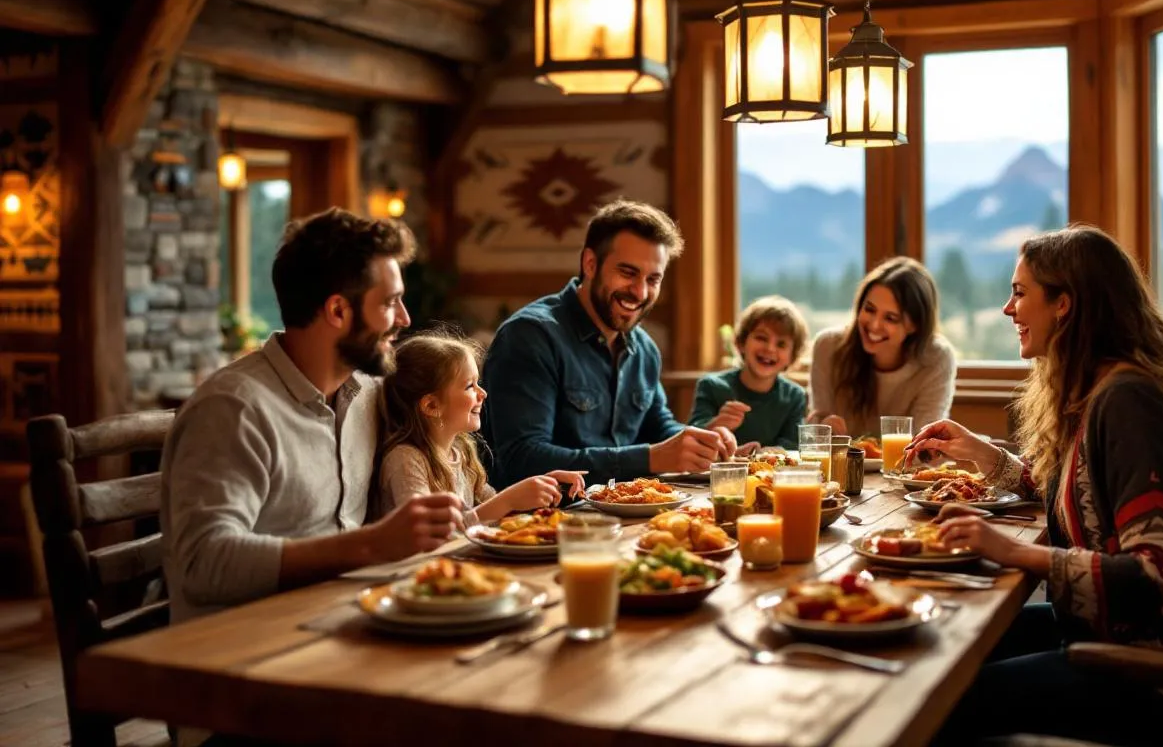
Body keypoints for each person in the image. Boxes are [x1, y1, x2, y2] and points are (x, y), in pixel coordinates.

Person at [909, 227, 1163, 745]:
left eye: (1020, 292)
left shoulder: (1128, 404)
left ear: (1065, 305)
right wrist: (981, 453)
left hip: (1159, 677)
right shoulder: (1102, 389)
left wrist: (1013, 554)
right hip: (1107, 638)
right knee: (942, 641)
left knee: (944, 699)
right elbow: (1075, 494)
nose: (1008, 308)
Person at [160, 208, 466, 625]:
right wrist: (370, 545)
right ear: (338, 311)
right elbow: (203, 564)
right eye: (390, 302)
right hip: (241, 653)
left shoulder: (369, 395)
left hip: (346, 623)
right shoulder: (233, 409)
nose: (405, 319)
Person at [481, 199, 736, 488]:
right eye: (627, 273)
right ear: (590, 264)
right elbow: (521, 459)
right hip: (537, 523)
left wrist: (702, 444)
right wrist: (650, 459)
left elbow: (658, 427)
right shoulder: (529, 336)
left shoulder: (645, 349)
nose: (640, 292)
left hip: (623, 516)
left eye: (653, 279)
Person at [379, 331, 588, 521]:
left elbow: (495, 512)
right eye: (470, 386)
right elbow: (426, 533)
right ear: (432, 405)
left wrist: (545, 486)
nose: (483, 393)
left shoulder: (460, 452)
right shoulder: (405, 460)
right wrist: (509, 500)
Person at [808, 256, 956, 437]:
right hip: (841, 464)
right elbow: (817, 431)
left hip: (904, 465)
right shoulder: (828, 347)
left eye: (890, 318)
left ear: (914, 325)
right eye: (869, 309)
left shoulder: (937, 358)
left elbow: (925, 444)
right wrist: (822, 425)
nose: (874, 325)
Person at [688, 295, 809, 450]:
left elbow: (793, 444)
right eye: (761, 338)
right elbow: (692, 437)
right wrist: (717, 423)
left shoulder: (795, 396)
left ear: (792, 358)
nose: (770, 348)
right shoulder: (711, 386)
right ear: (741, 343)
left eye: (781, 344)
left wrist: (761, 455)